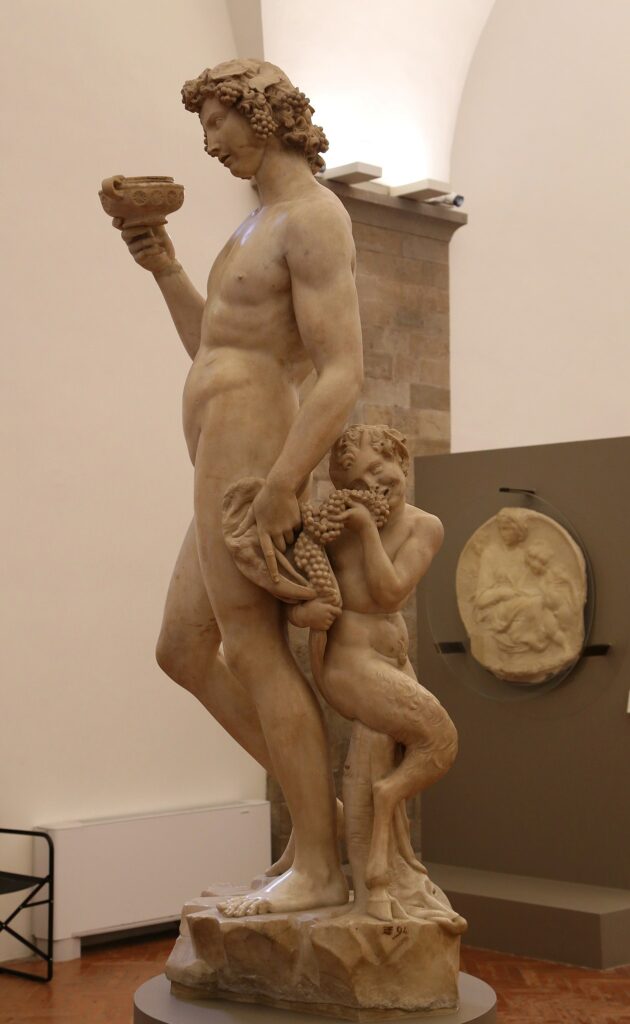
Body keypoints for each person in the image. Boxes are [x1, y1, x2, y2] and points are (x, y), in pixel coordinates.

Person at [109, 59, 363, 917]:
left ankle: (319, 866)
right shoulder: (253, 226)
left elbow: (342, 369)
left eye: (219, 121)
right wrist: (164, 267)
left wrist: (287, 479)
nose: (210, 142)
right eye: (204, 127)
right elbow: (212, 345)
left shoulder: (315, 217)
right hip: (220, 438)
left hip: (255, 440)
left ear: (264, 115)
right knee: (182, 649)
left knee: (252, 647)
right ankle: (325, 825)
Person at [289, 425, 461, 926]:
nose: (371, 485)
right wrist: (305, 613)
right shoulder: (337, 528)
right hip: (349, 663)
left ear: (400, 460)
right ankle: (383, 811)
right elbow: (297, 598)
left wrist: (366, 530)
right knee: (440, 741)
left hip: (392, 662)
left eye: (378, 468)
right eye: (356, 482)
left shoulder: (424, 527)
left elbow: (394, 590)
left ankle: (386, 880)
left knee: (387, 749)